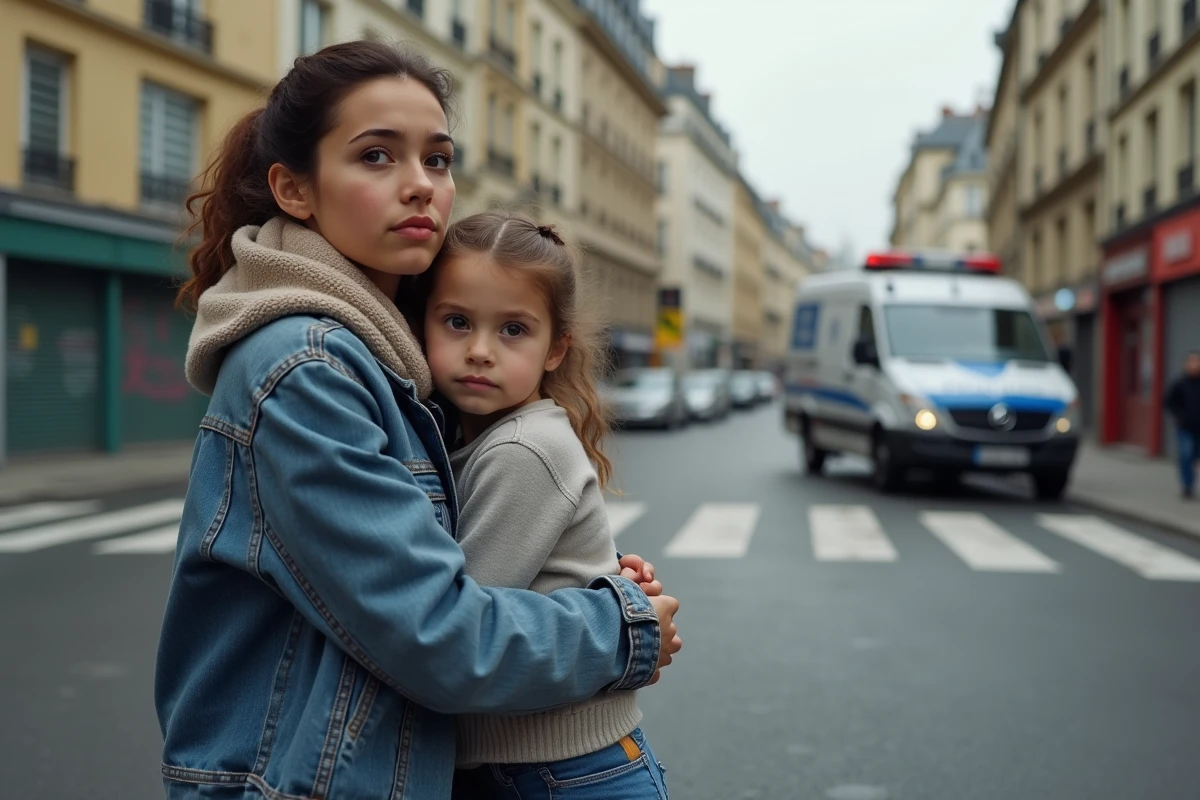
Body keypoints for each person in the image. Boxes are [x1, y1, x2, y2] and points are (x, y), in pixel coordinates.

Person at [155, 41, 681, 800]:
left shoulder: (386, 351)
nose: (420, 187)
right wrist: (623, 625)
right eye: (376, 157)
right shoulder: (310, 368)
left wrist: (579, 579)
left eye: (437, 160)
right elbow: (437, 633)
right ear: (294, 190)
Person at [410, 212, 669, 798]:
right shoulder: (477, 437)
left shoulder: (523, 448)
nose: (479, 350)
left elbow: (458, 623)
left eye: (513, 330)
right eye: (456, 321)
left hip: (564, 774)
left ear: (557, 349)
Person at [1164, 350, 1200, 499]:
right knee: (1186, 456)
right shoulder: (1179, 384)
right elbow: (1168, 402)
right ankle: (1188, 486)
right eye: (1192, 362)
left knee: (1195, 458)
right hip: (1185, 427)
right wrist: (1179, 416)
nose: (1194, 365)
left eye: (1197, 362)